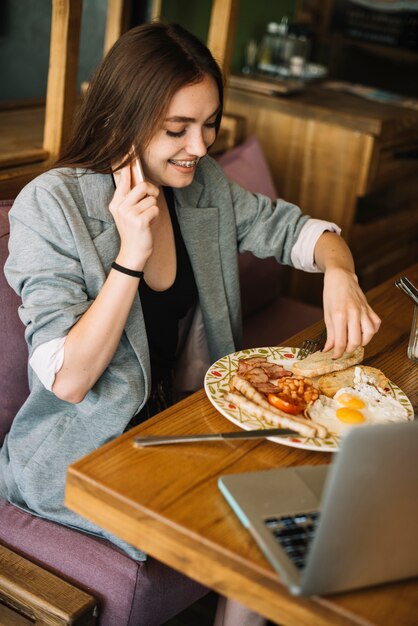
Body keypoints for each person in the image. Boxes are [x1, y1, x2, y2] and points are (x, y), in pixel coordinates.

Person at [1, 21, 380, 626]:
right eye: (177, 129)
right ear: (123, 118)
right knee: (263, 525)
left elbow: (297, 231)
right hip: (85, 457)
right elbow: (68, 379)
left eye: (209, 125)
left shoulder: (203, 187)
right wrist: (130, 251)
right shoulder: (52, 205)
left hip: (183, 427)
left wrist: (341, 272)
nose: (200, 147)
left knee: (310, 488)